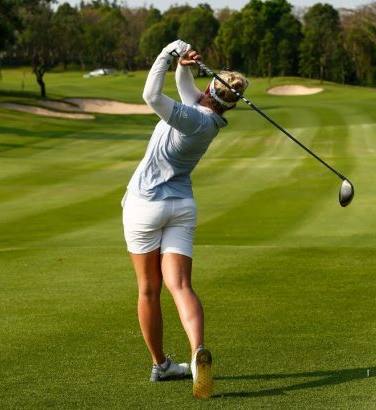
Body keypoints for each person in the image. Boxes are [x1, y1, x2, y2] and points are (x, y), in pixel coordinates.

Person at [121, 39, 248, 399]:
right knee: (181, 287)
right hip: (181, 206)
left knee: (149, 289)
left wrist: (165, 53)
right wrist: (184, 64)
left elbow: (150, 95)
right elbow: (185, 89)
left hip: (146, 205)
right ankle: (196, 356)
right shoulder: (211, 118)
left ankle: (161, 365)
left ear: (210, 90)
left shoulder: (192, 118)